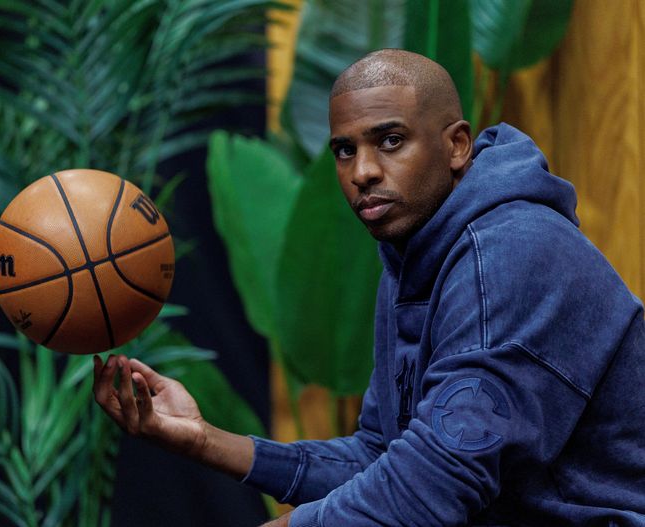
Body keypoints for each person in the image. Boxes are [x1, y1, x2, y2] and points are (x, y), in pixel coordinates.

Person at [93, 49, 645, 526]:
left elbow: (434, 487)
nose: (363, 172)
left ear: (457, 146)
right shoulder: (414, 255)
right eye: (344, 150)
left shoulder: (509, 251)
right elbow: (378, 459)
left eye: (391, 141)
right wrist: (202, 438)